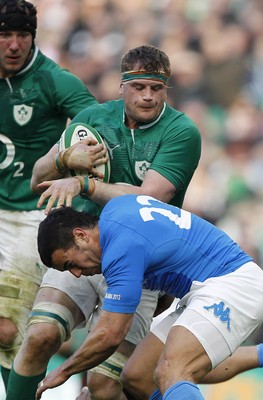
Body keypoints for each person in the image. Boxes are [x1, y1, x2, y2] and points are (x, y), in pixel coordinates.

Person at [6, 44, 202, 400]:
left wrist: (84, 183)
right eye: (139, 87)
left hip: (140, 263)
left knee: (104, 386)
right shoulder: (93, 119)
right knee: (40, 336)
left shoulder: (181, 131)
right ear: (121, 86)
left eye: (156, 89)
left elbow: (148, 198)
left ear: (166, 90)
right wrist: (65, 157)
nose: (148, 97)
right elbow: (38, 177)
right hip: (81, 249)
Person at [35, 194, 263, 400]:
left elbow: (111, 333)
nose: (76, 274)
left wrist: (64, 370)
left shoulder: (119, 252)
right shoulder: (117, 209)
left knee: (173, 370)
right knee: (138, 376)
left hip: (234, 285)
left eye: (70, 264)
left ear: (81, 236)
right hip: (202, 291)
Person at [0, 0, 98, 392]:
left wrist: (69, 155)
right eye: (5, 34)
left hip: (28, 213)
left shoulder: (54, 80)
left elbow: (97, 124)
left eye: (22, 34)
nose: (13, 44)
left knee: (9, 331)